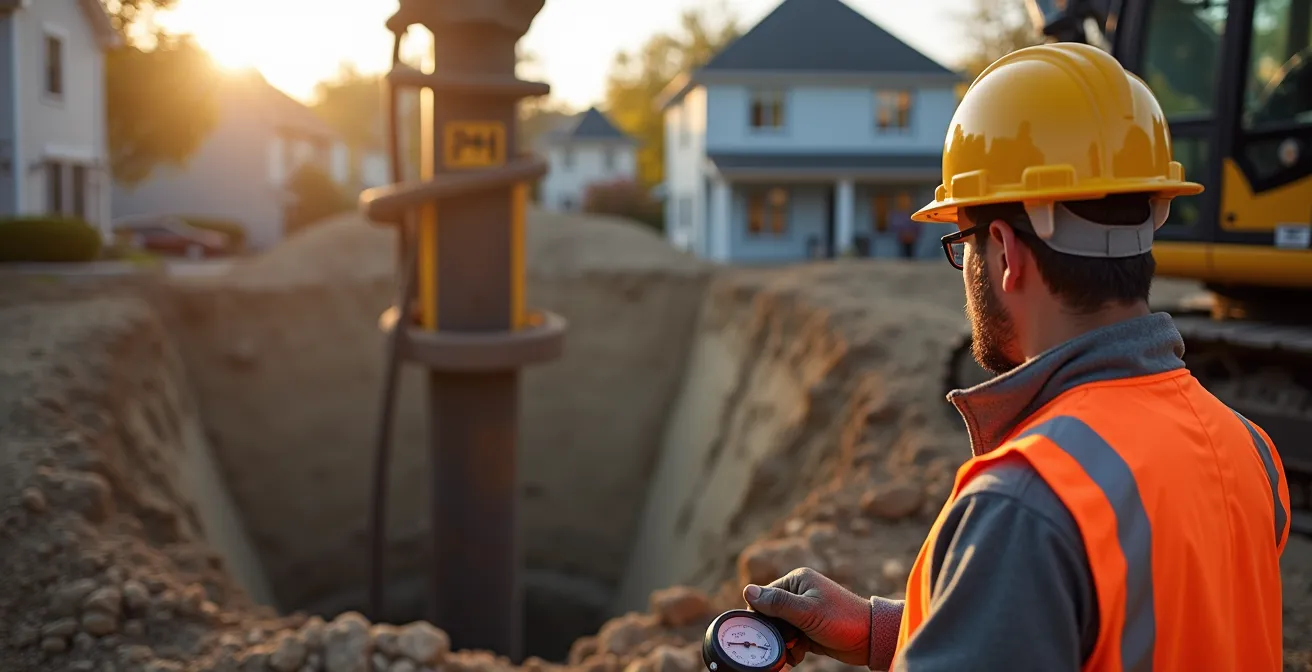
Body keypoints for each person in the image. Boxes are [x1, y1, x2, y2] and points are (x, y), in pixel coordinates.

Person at [742, 43, 1290, 671]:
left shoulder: (1026, 500)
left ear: (1003, 250)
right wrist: (879, 630)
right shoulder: (1248, 450)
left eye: (961, 242)